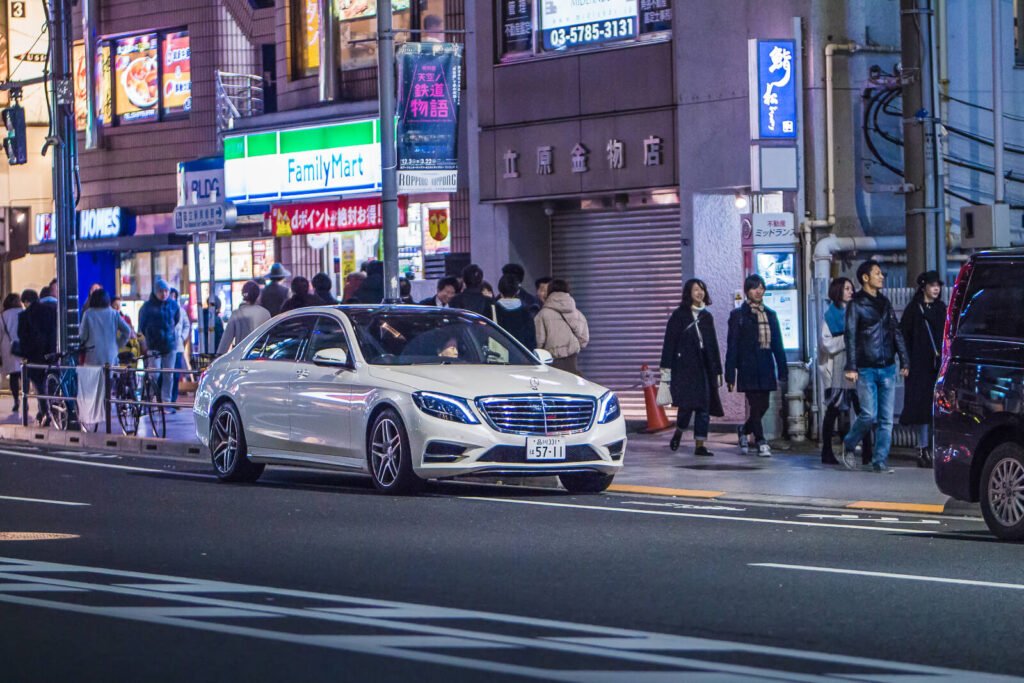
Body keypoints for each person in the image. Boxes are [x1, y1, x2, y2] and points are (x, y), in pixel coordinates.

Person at [842, 260, 910, 473]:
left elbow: (896, 332)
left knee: (886, 419)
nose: (882, 277)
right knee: (868, 414)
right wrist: (851, 367)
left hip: (887, 366)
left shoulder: (885, 303)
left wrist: (904, 360)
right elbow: (850, 336)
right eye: (877, 273)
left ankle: (880, 461)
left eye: (882, 274)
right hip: (866, 368)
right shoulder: (856, 305)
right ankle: (849, 443)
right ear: (865, 278)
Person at [657, 279, 724, 456]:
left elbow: (713, 344)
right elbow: (669, 344)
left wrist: (718, 370)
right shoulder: (679, 316)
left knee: (704, 407)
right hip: (685, 368)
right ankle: (679, 431)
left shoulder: (706, 316)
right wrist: (666, 369)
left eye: (702, 289)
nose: (699, 292)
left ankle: (700, 445)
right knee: (686, 407)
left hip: (704, 367)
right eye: (695, 289)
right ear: (688, 293)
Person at [725, 274, 788, 457]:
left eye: (761, 288)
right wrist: (730, 374)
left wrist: (782, 369)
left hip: (766, 366)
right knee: (754, 404)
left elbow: (777, 344)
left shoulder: (770, 314)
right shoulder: (738, 316)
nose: (759, 291)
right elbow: (733, 346)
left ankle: (744, 430)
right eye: (754, 288)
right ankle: (761, 441)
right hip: (748, 367)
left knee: (765, 405)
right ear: (747, 291)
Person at [817, 277, 872, 466]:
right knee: (833, 410)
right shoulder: (830, 316)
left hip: (857, 365)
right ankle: (827, 451)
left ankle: (868, 452)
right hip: (838, 367)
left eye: (851, 288)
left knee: (863, 409)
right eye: (847, 288)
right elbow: (826, 344)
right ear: (838, 290)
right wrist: (847, 339)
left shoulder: (857, 311)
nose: (851, 291)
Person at [899, 270, 945, 468]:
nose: (937, 288)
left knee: (937, 407)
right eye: (933, 285)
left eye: (938, 285)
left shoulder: (942, 308)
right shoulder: (914, 309)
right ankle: (923, 447)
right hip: (919, 365)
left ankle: (934, 448)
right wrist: (905, 362)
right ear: (924, 286)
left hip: (938, 365)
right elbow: (903, 336)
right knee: (922, 408)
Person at [138, 278, 182, 405]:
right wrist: (148, 339)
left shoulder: (173, 305)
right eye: (161, 291)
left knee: (169, 375)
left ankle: (166, 402)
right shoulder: (147, 307)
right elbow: (142, 325)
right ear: (155, 292)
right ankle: (151, 399)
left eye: (166, 291)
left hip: (170, 344)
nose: (164, 294)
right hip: (154, 344)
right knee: (154, 374)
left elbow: (176, 320)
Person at [18, 287, 58, 424]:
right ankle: (53, 410)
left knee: (38, 385)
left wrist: (24, 354)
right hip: (50, 353)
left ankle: (44, 411)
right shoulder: (50, 311)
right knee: (51, 381)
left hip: (34, 356)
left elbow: (22, 337)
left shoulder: (24, 316)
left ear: (26, 301)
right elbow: (53, 332)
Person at [534, 278, 589, 375]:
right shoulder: (579, 314)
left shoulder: (542, 314)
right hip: (573, 362)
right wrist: (571, 347)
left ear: (549, 292)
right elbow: (584, 340)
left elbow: (539, 342)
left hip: (551, 363)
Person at [79, 288, 131, 366]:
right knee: (111, 377)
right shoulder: (114, 314)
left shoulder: (88, 314)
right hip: (111, 356)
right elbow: (127, 331)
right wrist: (118, 344)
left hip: (93, 357)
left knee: (94, 377)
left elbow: (83, 336)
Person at [218, 281, 271, 355]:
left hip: (241, 356)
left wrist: (218, 357)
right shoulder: (265, 313)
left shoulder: (236, 314)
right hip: (261, 355)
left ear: (243, 295)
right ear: (258, 295)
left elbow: (225, 342)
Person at [494, 274, 537, 350]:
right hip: (521, 356)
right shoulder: (525, 310)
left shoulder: (493, 309)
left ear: (500, 290)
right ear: (517, 291)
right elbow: (531, 339)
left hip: (499, 355)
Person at [168, 288, 192, 404]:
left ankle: (173, 399)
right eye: (170, 296)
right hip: (167, 347)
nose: (172, 298)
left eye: (174, 296)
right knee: (168, 374)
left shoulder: (181, 311)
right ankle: (167, 400)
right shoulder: (166, 309)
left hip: (178, 347)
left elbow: (187, 325)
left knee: (176, 374)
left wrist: (182, 337)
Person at [0, 292, 23, 412]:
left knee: (14, 375)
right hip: (22, 345)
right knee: (25, 374)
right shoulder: (23, 313)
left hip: (8, 348)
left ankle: (16, 400)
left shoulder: (3, 316)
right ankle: (25, 398)